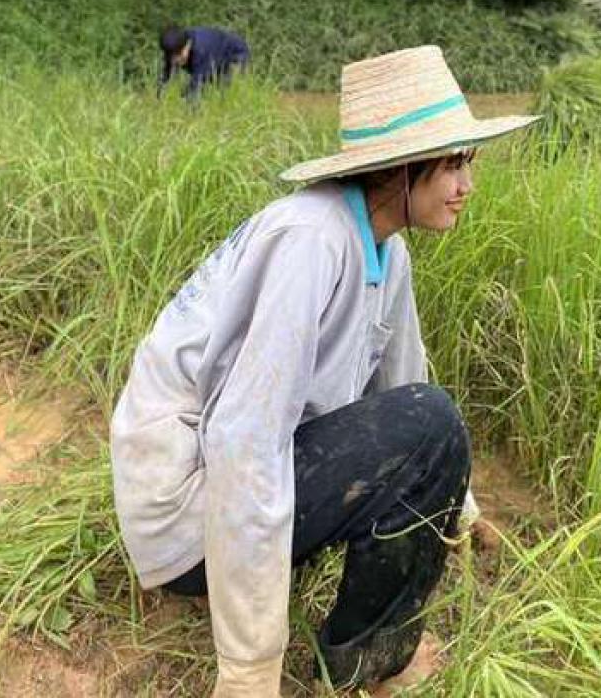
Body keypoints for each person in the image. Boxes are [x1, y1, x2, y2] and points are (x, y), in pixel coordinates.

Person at [111, 46, 539, 696]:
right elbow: (244, 437)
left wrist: (462, 508)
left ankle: (362, 650)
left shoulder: (386, 253)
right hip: (188, 517)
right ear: (401, 167)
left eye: (467, 163)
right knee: (430, 420)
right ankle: (363, 667)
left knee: (426, 414)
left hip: (223, 496)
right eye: (453, 164)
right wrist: (249, 671)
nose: (466, 186)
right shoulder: (311, 238)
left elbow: (402, 384)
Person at [159, 24, 251, 100]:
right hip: (213, 59)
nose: (176, 60)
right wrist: (159, 95)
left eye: (179, 55)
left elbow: (196, 86)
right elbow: (165, 77)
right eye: (172, 57)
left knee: (225, 93)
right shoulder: (173, 46)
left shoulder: (201, 50)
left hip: (234, 55)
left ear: (187, 45)